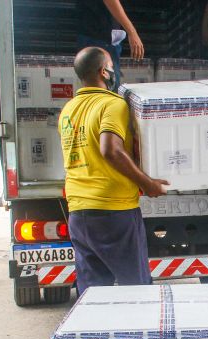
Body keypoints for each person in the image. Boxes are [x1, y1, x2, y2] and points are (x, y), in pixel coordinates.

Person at [59, 47, 169, 295]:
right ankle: (139, 332)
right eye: (111, 65)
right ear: (103, 72)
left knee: (92, 293)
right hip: (113, 210)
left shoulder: (68, 109)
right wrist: (147, 183)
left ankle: (94, 332)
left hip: (78, 211)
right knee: (137, 289)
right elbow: (111, 149)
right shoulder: (112, 104)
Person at [76, 0, 144, 90]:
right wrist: (132, 32)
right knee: (107, 90)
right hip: (99, 35)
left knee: (98, 91)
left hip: (99, 35)